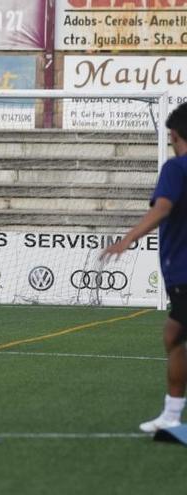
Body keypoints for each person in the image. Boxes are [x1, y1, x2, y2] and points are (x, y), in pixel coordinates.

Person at [102, 102, 187, 433]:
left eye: (170, 136)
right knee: (175, 335)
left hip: (183, 271)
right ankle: (171, 414)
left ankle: (171, 416)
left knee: (174, 336)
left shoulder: (176, 168)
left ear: (176, 135)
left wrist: (126, 239)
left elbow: (162, 207)